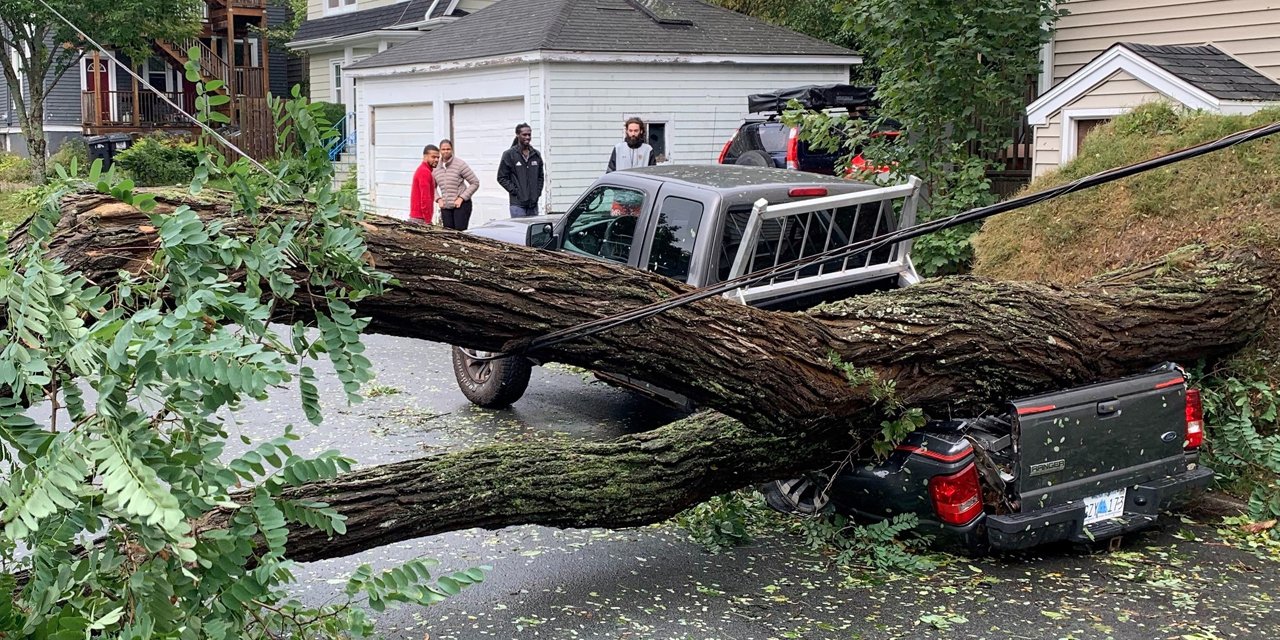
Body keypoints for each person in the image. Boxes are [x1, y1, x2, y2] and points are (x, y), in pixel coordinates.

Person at [496, 123, 545, 218]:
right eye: (524, 135)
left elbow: (540, 177)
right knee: (520, 231)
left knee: (533, 231)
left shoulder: (536, 154)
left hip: (533, 205)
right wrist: (516, 191)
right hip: (518, 205)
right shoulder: (509, 154)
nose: (527, 137)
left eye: (529, 134)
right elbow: (501, 177)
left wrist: (537, 193)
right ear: (518, 135)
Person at [434, 139, 479, 230]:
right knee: (448, 235)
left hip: (461, 206)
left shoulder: (460, 164)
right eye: (443, 149)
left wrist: (461, 198)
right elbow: (431, 187)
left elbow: (475, 182)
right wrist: (438, 199)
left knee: (460, 234)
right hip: (446, 207)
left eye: (448, 149)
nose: (446, 151)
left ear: (452, 150)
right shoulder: (436, 168)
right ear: (440, 151)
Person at [410, 144, 441, 225]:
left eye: (438, 157)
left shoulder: (425, 170)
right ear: (425, 157)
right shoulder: (424, 172)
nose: (437, 159)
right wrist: (427, 221)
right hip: (420, 219)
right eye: (433, 157)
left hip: (419, 217)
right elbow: (425, 198)